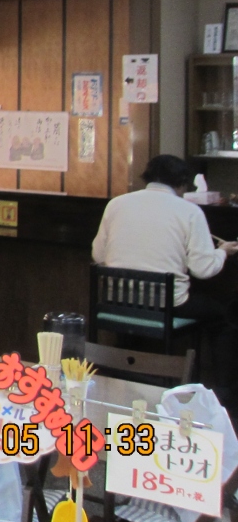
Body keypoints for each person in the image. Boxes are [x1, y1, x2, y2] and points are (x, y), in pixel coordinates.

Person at [92, 153, 238, 397]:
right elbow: (203, 269)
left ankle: (125, 380)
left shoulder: (116, 204)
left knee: (139, 314)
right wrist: (223, 252)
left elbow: (98, 255)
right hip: (168, 303)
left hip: (117, 301)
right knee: (225, 316)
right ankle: (222, 393)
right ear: (181, 183)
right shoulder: (189, 211)